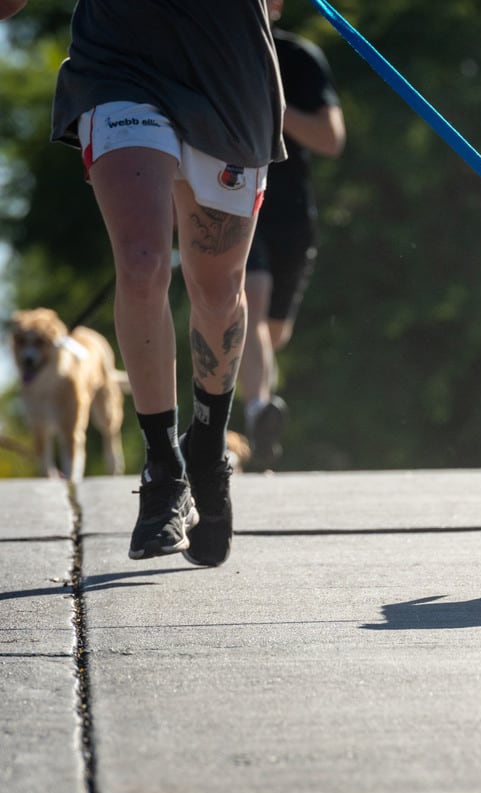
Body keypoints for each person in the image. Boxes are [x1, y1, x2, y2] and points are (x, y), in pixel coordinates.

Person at [50, 0, 285, 567]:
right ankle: (163, 470)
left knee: (218, 287)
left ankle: (207, 448)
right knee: (142, 260)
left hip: (226, 71)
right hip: (119, 63)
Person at [241, 0, 345, 469]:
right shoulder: (208, 54)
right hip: (232, 200)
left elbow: (330, 139)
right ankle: (257, 412)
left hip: (290, 214)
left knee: (270, 332)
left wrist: (272, 102)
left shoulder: (299, 57)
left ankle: (261, 415)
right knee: (249, 299)